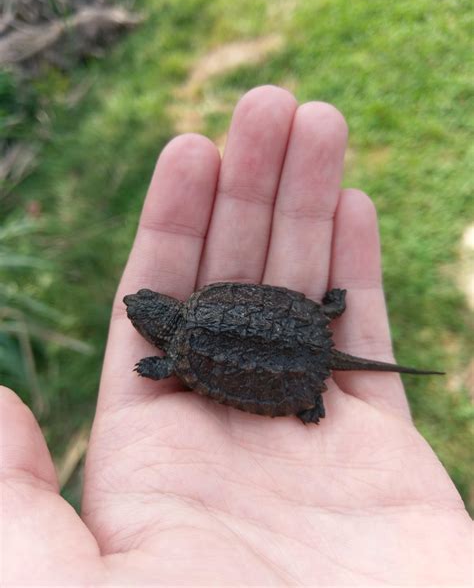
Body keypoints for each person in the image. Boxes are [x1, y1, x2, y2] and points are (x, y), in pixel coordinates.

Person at [1, 86, 471, 586]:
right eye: (142, 310)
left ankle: (308, 399)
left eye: (142, 313)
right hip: (303, 333)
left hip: (294, 367)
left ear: (155, 329)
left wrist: (161, 369)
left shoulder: (180, 359)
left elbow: (175, 368)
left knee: (279, 349)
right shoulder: (204, 301)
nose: (138, 308)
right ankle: (320, 346)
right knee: (281, 331)